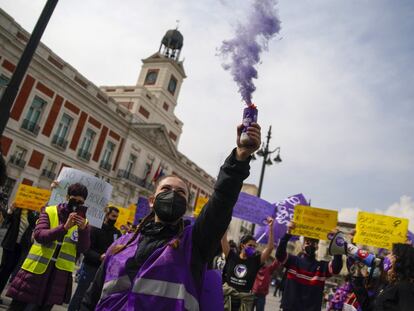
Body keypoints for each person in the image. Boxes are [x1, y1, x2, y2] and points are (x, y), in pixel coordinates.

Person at [80, 123, 261, 310]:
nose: (173, 194)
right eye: (166, 189)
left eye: (180, 193)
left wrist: (239, 158)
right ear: (152, 200)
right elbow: (91, 297)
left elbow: (222, 200)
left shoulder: (194, 243)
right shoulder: (121, 245)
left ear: (186, 205)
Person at [6, 183, 91, 311]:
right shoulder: (49, 211)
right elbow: (39, 235)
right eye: (74, 199)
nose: (77, 204)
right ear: (67, 197)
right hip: (35, 272)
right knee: (18, 308)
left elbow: (83, 249)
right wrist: (64, 227)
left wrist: (83, 230)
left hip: (57, 277)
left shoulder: (84, 223)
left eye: (81, 202)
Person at [275, 222, 343, 311]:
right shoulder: (293, 261)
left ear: (317, 247)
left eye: (314, 243)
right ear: (303, 246)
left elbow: (336, 268)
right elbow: (279, 254)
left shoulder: (322, 267)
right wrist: (288, 232)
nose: (311, 245)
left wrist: (336, 240)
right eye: (308, 242)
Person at [68, 206, 121, 311]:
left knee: (94, 298)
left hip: (105, 270)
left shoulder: (117, 233)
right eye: (113, 216)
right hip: (89, 268)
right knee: (80, 295)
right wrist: (99, 257)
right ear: (106, 215)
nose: (115, 219)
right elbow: (86, 249)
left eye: (116, 217)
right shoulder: (94, 229)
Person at [221, 217, 274, 311]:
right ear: (242, 245)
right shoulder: (231, 256)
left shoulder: (256, 261)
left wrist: (270, 228)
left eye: (254, 246)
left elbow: (270, 248)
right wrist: (226, 218)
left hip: (244, 302)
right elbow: (223, 239)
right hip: (226, 299)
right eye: (250, 245)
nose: (252, 248)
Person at [350, 243, 414, 311]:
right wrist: (357, 277)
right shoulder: (389, 285)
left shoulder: (405, 288)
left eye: (392, 254)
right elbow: (370, 307)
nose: (387, 256)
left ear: (401, 261)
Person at [0, 203, 38, 303]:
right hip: (10, 244)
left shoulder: (33, 213)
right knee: (3, 270)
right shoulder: (16, 209)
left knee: (13, 271)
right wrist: (10, 210)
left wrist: (31, 210)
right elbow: (7, 221)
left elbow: (34, 223)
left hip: (21, 247)